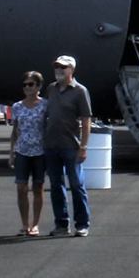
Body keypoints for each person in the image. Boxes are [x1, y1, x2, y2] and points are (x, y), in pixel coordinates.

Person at [42, 54, 94, 237]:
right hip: (51, 145)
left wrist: (84, 147)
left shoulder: (80, 91)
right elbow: (46, 114)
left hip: (71, 145)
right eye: (57, 67)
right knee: (56, 186)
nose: (59, 70)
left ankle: (82, 224)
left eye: (63, 67)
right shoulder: (51, 89)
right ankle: (62, 224)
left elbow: (86, 120)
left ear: (71, 69)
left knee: (76, 185)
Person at [7, 71, 47, 237]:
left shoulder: (45, 105)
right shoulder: (17, 106)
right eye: (25, 85)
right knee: (21, 187)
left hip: (40, 152)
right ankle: (25, 224)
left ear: (38, 86)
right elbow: (15, 131)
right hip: (22, 151)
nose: (27, 88)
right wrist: (11, 152)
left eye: (31, 84)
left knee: (38, 188)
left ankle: (35, 224)